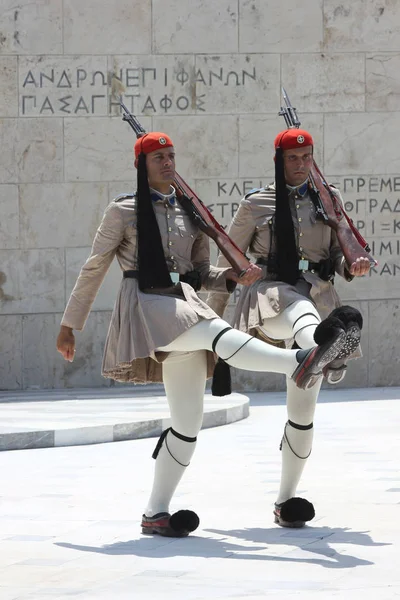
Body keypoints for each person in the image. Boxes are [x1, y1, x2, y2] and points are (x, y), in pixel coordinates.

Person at [56, 131, 351, 537]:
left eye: (171, 156)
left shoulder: (188, 212)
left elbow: (199, 273)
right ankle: (299, 360)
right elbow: (95, 267)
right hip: (146, 305)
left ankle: (155, 513)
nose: (167, 163)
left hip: (183, 302)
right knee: (214, 331)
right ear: (140, 165)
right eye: (159, 157)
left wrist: (229, 277)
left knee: (187, 424)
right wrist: (70, 324)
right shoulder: (122, 211)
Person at [207, 128, 370, 528]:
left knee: (302, 413)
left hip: (317, 295)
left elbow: (337, 256)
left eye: (307, 157)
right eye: (293, 159)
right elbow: (230, 263)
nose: (300, 165)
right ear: (279, 161)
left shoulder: (328, 200)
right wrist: (212, 328)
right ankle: (323, 350)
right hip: (269, 298)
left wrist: (353, 264)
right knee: (301, 312)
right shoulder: (256, 204)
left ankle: (286, 500)